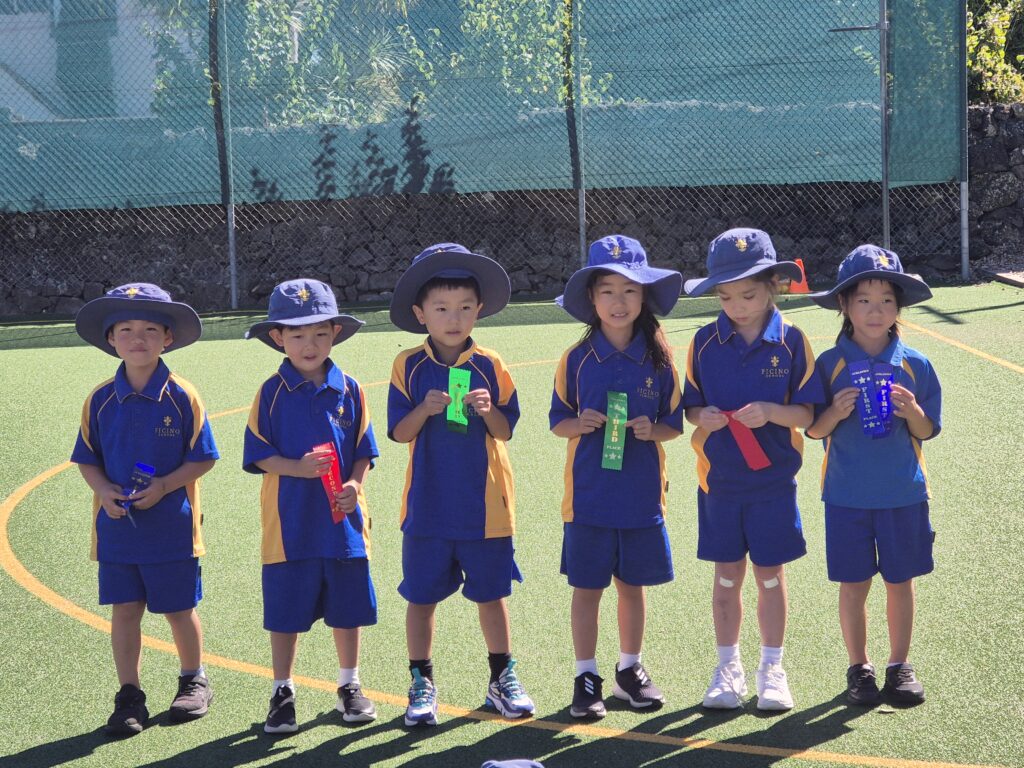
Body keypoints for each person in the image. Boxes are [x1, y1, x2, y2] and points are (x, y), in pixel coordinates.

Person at [388, 243, 534, 726]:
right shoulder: (407, 364)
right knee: (421, 598)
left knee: (492, 596)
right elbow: (399, 433)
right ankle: (421, 682)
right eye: (442, 309)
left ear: (479, 311)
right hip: (428, 508)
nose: (454, 318)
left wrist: (489, 409)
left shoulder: (491, 363)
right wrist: (424, 409)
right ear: (420, 313)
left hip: (486, 507)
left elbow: (506, 432)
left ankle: (501, 677)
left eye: (465, 309)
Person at [682, 228, 824, 711]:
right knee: (726, 577)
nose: (737, 305)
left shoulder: (792, 342)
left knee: (769, 576)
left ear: (773, 287)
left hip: (772, 486)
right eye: (725, 296)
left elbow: (807, 415)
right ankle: (727, 669)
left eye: (748, 294)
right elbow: (690, 409)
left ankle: (772, 669)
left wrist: (771, 411)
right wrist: (701, 417)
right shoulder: (703, 342)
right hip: (719, 484)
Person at [71, 283, 219, 736]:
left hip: (171, 527)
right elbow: (87, 460)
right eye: (127, 329)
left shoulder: (183, 395)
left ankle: (193, 679)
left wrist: (165, 486)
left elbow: (204, 456)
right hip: (117, 529)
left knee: (179, 609)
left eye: (151, 329)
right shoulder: (99, 399)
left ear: (167, 338)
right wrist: (105, 492)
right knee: (125, 610)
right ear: (111, 339)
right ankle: (129, 695)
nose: (139, 338)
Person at [549, 235, 684, 719]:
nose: (618, 301)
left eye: (629, 291)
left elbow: (674, 425)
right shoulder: (576, 358)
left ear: (644, 296)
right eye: (607, 290)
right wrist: (579, 424)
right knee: (587, 588)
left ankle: (630, 671)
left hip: (642, 496)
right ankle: (586, 676)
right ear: (592, 298)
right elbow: (557, 420)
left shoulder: (662, 359)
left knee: (633, 586)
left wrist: (653, 431)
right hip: (588, 496)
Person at [806, 245, 940, 706]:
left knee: (900, 581)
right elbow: (812, 430)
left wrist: (914, 411)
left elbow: (928, 431)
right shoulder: (828, 365)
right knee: (854, 584)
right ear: (844, 305)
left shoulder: (916, 363)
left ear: (898, 306)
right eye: (863, 299)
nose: (875, 310)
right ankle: (858, 667)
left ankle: (899, 666)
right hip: (845, 495)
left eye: (886, 299)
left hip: (903, 493)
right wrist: (834, 413)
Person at [243, 279, 379, 733]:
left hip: (343, 525)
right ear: (277, 337)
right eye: (297, 335)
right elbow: (258, 454)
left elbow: (364, 451)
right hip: (290, 527)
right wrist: (297, 468)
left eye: (320, 333)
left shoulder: (352, 389)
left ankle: (350, 684)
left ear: (336, 333)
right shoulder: (270, 392)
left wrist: (356, 487)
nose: (309, 344)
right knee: (285, 613)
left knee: (348, 609)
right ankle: (282, 689)